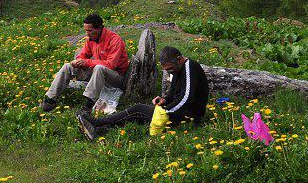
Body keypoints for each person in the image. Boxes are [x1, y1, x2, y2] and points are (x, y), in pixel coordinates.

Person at [76, 46, 209, 141]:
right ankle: (99, 130)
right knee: (138, 115)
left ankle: (97, 122)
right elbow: (173, 92)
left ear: (179, 59)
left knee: (138, 109)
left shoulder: (190, 67)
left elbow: (187, 98)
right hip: (178, 110)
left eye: (171, 69)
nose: (170, 72)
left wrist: (165, 111)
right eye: (167, 70)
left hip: (190, 115)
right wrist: (164, 100)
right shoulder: (178, 69)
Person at [38, 13, 129, 116]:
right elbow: (83, 55)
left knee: (99, 68)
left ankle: (88, 105)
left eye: (89, 30)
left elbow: (111, 64)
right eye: (86, 30)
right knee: (68, 66)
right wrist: (77, 62)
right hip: (99, 74)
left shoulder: (115, 40)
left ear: (99, 28)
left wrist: (87, 62)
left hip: (116, 78)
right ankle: (50, 100)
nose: (87, 34)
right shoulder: (91, 39)